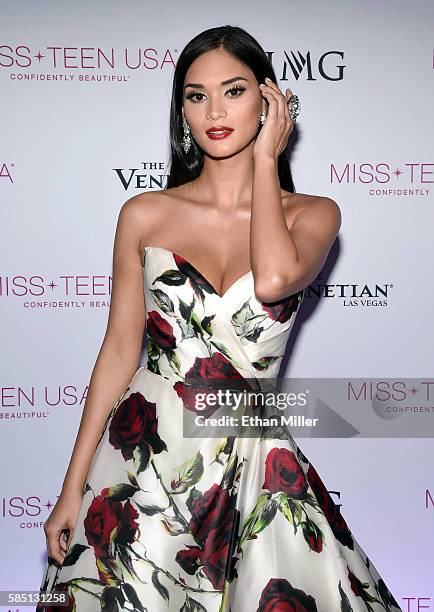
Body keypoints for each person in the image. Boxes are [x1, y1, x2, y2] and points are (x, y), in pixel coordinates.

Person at [36, 24, 401, 612]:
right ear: (181, 109)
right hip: (142, 467)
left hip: (251, 467)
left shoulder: (314, 214)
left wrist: (265, 160)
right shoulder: (145, 214)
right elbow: (118, 353)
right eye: (196, 94)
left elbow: (276, 279)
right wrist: (70, 489)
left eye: (233, 91)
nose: (214, 111)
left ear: (270, 100)